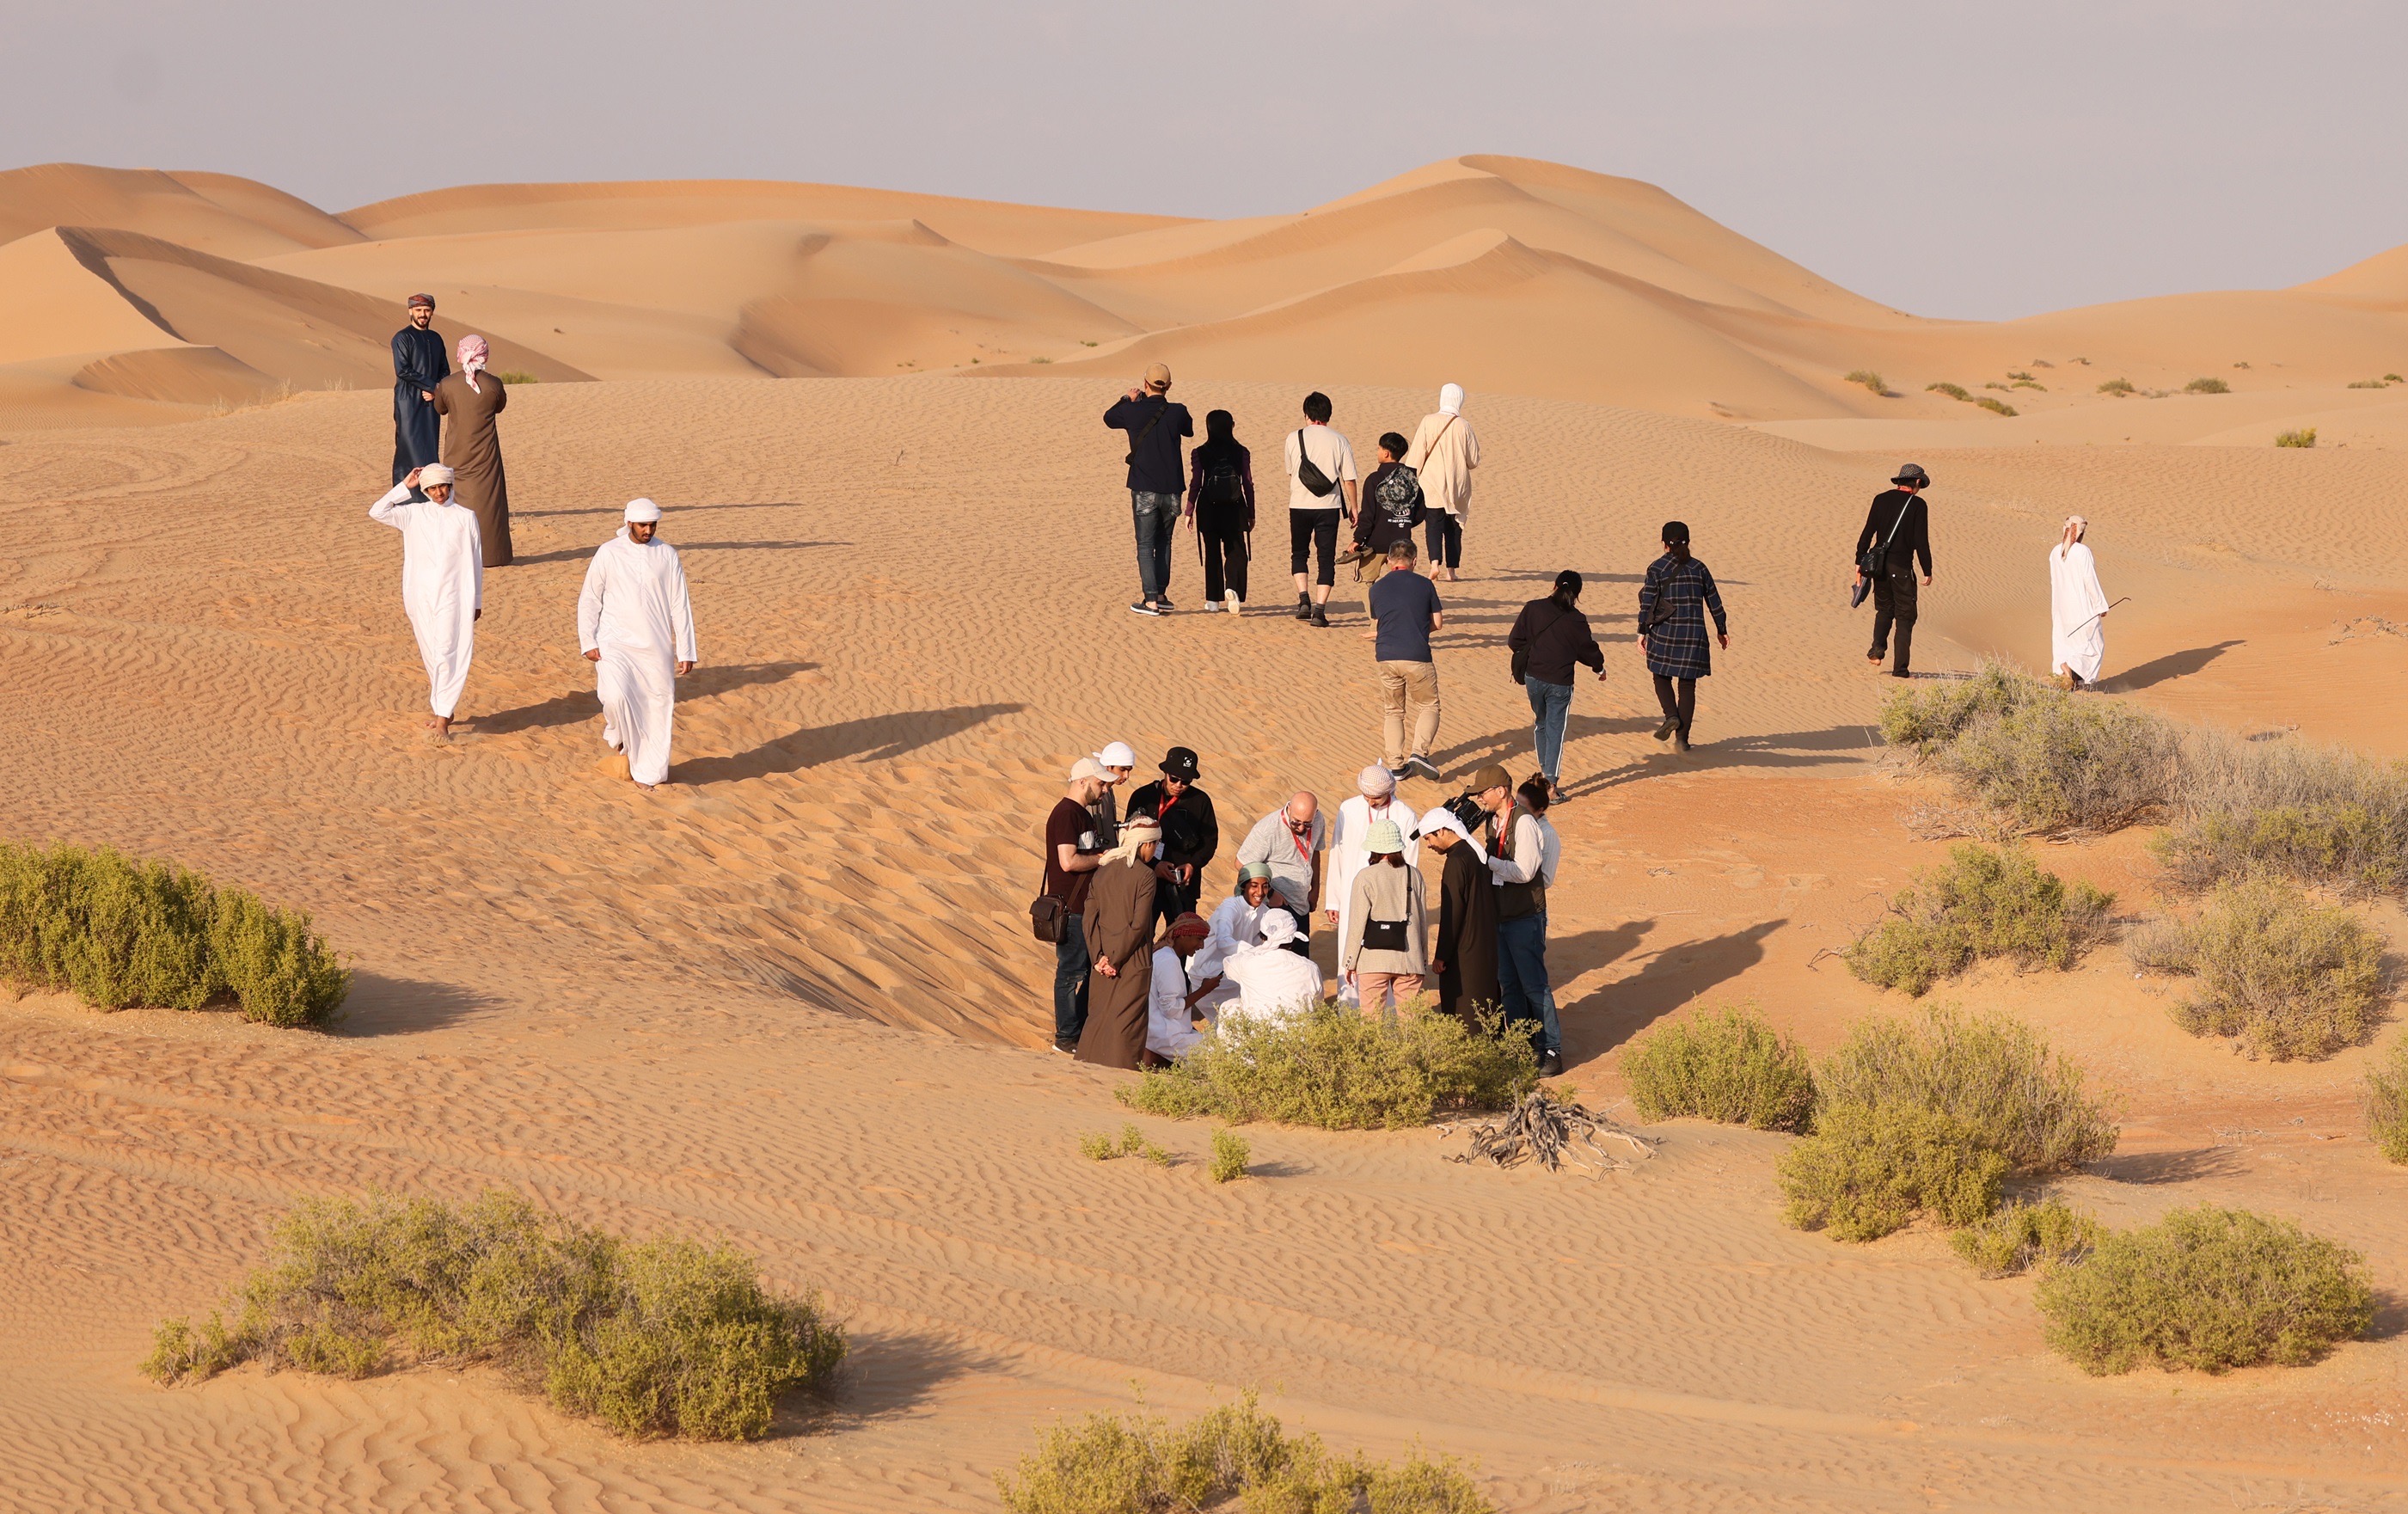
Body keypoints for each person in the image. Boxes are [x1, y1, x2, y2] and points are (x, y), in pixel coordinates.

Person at [577, 499, 699, 794]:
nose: (648, 530)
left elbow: (679, 604)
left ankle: (648, 772)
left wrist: (686, 649)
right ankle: (619, 735)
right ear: (629, 523)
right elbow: (590, 597)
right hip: (614, 641)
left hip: (655, 646)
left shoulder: (667, 554)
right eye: (643, 525)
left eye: (652, 525)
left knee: (657, 705)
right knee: (614, 696)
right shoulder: (608, 553)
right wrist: (588, 640)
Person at [368, 464, 481, 737]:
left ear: (451, 485)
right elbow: (377, 511)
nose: (438, 492)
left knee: (447, 650)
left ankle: (442, 718)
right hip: (420, 595)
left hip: (455, 595)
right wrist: (405, 487)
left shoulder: (466, 517)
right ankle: (445, 706)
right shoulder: (413, 514)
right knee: (432, 652)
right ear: (425, 490)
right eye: (431, 488)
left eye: (442, 486)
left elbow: (476, 559)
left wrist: (476, 599)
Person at [1507, 570, 1607, 803]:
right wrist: (1599, 668)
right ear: (1577, 594)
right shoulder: (1577, 619)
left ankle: (1544, 776)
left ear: (1554, 586)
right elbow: (1587, 649)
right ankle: (1550, 787)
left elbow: (1514, 641)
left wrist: (1536, 654)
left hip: (1533, 678)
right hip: (1560, 683)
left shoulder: (1533, 608)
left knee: (1541, 724)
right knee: (1555, 731)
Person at [1326, 764, 1421, 1005]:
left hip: (1390, 903)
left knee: (1387, 955)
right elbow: (1337, 853)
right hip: (1351, 895)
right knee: (1350, 950)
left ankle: (1387, 1024)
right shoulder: (1348, 809)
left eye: (1376, 797)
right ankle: (1348, 1012)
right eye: (1367, 796)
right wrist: (1333, 900)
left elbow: (1410, 866)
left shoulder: (1405, 815)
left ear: (1389, 791)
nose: (1370, 802)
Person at [1105, 364, 1193, 617]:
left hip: (1144, 488)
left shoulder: (1132, 410)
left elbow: (1109, 418)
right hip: (1172, 490)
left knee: (1145, 545)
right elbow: (1188, 429)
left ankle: (1151, 601)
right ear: (1169, 386)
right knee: (1164, 542)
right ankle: (1162, 596)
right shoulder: (1178, 411)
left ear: (1145, 384)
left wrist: (1127, 399)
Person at [1489, 776, 1565, 1073]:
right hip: (1504, 913)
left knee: (1534, 985)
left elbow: (1540, 878)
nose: (1516, 809)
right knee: (1509, 983)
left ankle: (1551, 1049)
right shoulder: (1502, 824)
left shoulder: (1546, 834)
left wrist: (1497, 866)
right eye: (1515, 803)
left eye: (1523, 806)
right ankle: (1522, 1044)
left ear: (1540, 810)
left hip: (1529, 914)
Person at [1078, 816, 1163, 1068]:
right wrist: (1114, 959)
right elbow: (1138, 926)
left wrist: (1098, 958)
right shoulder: (1146, 877)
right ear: (1144, 844)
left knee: (1098, 1017)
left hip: (1101, 960)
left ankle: (1085, 1065)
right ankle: (1119, 1075)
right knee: (1126, 1022)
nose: (1155, 849)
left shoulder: (1103, 871)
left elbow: (1089, 919)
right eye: (1155, 843)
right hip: (1132, 960)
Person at [1638, 521, 1728, 753]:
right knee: (1687, 686)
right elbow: (1714, 601)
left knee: (1660, 675)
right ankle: (1682, 740)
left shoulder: (1656, 568)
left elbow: (1648, 602)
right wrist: (1721, 628)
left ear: (1664, 544)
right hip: (1694, 635)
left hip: (1665, 633)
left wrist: (1642, 631)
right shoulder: (1699, 568)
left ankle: (1671, 715)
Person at [1042, 759, 1112, 1053]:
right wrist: (1103, 858)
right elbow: (1068, 861)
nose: (1106, 790)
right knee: (1071, 973)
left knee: (1086, 970)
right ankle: (1066, 1037)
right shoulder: (1066, 814)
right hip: (1071, 909)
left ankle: (1078, 1031)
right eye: (1101, 784)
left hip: (1084, 907)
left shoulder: (1081, 815)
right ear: (1083, 781)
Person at [431, 334, 513, 567]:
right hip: (486, 455)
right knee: (490, 503)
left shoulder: (447, 384)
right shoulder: (494, 383)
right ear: (484, 354)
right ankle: (492, 556)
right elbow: (500, 407)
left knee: (455, 503)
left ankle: (459, 557)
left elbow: (440, 408)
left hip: (457, 453)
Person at [1368, 540, 1444, 782]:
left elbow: (1381, 622)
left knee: (1393, 711)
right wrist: (1419, 630)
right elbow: (1438, 623)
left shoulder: (1376, 588)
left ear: (1389, 560)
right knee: (1429, 706)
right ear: (1414, 561)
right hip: (1417, 655)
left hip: (1386, 656)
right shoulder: (1424, 584)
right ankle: (1419, 753)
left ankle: (1396, 766)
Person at [1284, 392, 1358, 628]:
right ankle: (1320, 610)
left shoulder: (1293, 438)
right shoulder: (1340, 440)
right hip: (1329, 507)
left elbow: (1290, 470)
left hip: (1299, 504)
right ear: (1328, 414)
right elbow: (1349, 479)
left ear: (1307, 414)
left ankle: (1303, 598)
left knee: (1299, 552)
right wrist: (1354, 506)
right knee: (1325, 558)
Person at [1342, 818, 1428, 1020]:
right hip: (1410, 959)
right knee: (1410, 1026)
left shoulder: (1366, 876)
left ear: (1375, 848)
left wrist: (1350, 962)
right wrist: (1422, 960)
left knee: (1371, 1023)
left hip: (1374, 958)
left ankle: (1374, 1054)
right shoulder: (1414, 875)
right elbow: (1422, 921)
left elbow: (1357, 924)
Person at [1420, 810, 1500, 1025]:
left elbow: (1452, 913)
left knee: (1465, 1014)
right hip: (1485, 945)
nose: (1429, 845)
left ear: (1442, 831)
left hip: (1464, 952)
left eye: (1429, 838)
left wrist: (1442, 956)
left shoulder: (1456, 861)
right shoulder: (1473, 853)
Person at [1855, 463, 1933, 678]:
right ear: (1917, 482)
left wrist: (1859, 560)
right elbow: (1921, 541)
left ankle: (1876, 652)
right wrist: (1927, 569)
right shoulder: (1918, 505)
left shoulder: (1880, 499)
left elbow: (1868, 531)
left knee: (1884, 610)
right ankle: (1900, 670)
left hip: (1878, 567)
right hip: (1901, 569)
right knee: (1905, 617)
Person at [1122, 745, 1218, 918]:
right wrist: (1154, 866)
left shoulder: (1201, 801)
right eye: (1174, 779)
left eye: (1186, 782)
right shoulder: (1143, 796)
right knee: (1141, 936)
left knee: (1183, 938)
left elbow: (1210, 841)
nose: (1179, 785)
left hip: (1183, 883)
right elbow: (1128, 838)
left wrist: (1193, 865)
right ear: (1165, 773)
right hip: (1145, 878)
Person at [1404, 383, 1480, 582]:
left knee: (1434, 524)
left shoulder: (1428, 421)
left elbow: (1417, 455)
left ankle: (1434, 564)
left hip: (1432, 483)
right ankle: (1451, 571)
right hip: (1457, 485)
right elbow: (1474, 460)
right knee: (1454, 528)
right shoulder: (1464, 425)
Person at [1186, 408, 1254, 615]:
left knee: (1212, 553)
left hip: (1208, 507)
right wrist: (1251, 512)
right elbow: (1248, 484)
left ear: (1208, 428)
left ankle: (1213, 601)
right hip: (1235, 507)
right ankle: (1232, 587)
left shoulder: (1199, 452)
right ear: (1231, 426)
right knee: (1236, 551)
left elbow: (1196, 483)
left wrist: (1189, 510)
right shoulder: (1241, 451)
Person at [1351, 432, 1425, 624]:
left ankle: (1377, 622)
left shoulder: (1374, 479)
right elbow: (1421, 511)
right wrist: (1405, 522)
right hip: (1402, 541)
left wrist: (1358, 539)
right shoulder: (1411, 479)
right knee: (1403, 584)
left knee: (1366, 580)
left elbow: (1367, 516)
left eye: (1378, 448)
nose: (1377, 451)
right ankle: (1403, 620)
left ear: (1386, 453)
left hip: (1377, 542)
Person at [1235, 793, 1326, 940]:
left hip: (1302, 904)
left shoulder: (1319, 820)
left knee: (1300, 958)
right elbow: (1242, 864)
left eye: (1307, 824)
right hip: (1275, 907)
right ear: (1289, 808)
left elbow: (1314, 851)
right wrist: (1270, 893)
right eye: (1296, 822)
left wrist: (1315, 889)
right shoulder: (1268, 829)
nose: (1302, 828)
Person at [1218, 909, 1325, 1027]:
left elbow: (1228, 966)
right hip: (1300, 1040)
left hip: (1260, 1036)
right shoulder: (1311, 968)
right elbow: (1318, 1005)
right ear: (1293, 937)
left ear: (1263, 936)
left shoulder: (1247, 962)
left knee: (1228, 1008)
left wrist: (1256, 951)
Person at [390, 294, 450, 491]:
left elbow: (445, 370)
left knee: (430, 448)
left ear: (432, 312)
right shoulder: (402, 338)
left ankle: (431, 494)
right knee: (409, 448)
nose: (423, 314)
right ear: (410, 311)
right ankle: (406, 497)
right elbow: (403, 370)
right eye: (418, 310)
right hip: (408, 400)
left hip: (431, 401)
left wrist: (437, 391)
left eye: (426, 310)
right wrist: (431, 386)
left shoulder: (436, 338)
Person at [1202, 863, 1275, 1016]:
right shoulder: (1230, 906)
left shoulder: (1265, 912)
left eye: (1265, 886)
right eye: (1254, 886)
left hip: (1237, 978)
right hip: (1207, 975)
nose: (1260, 892)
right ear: (1243, 887)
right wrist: (1254, 953)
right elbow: (1223, 942)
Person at [1147, 913, 1220, 1062]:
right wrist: (1204, 991)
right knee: (1219, 1055)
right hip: (1166, 1036)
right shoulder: (1168, 960)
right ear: (1182, 936)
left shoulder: (1165, 955)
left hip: (1165, 1031)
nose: (1201, 946)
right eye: (1199, 939)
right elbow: (1170, 1009)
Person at [2050, 516, 2110, 690]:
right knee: (2094, 644)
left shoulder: (2055, 552)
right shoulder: (2082, 551)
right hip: (2082, 607)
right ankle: (2074, 672)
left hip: (2061, 609)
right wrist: (2100, 605)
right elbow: (2089, 579)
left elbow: (2054, 582)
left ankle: (2070, 680)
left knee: (2067, 643)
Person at [1088, 739, 1135, 849]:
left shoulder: (1110, 791)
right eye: (1122, 769)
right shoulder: (1092, 793)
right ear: (1108, 767)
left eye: (1129, 771)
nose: (1127, 776)